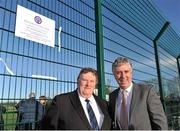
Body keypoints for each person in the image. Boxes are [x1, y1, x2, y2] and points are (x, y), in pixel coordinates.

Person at [41, 67, 111, 130]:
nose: (88, 84)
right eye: (84, 80)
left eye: (92, 81)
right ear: (78, 81)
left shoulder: (103, 104)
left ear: (95, 83)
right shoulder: (61, 102)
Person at [108, 57, 168, 130]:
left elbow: (161, 124)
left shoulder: (146, 92)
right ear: (114, 75)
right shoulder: (112, 96)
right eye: (118, 73)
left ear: (131, 73)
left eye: (126, 71)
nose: (123, 76)